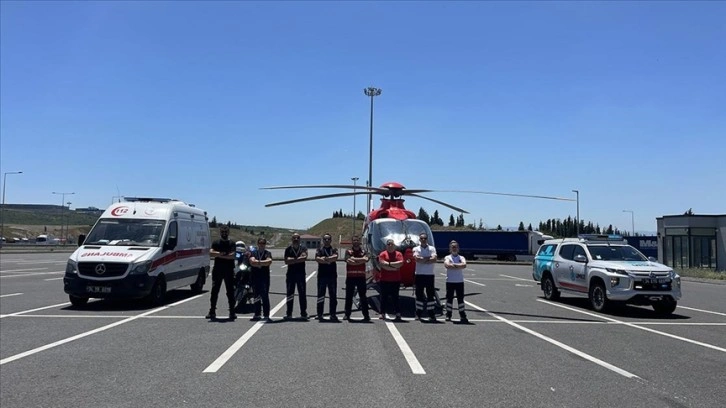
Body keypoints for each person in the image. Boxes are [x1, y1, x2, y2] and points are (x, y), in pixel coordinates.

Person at [206, 225, 237, 321]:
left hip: (229, 270)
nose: (224, 233)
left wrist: (219, 255)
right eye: (222, 232)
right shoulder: (216, 242)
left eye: (226, 232)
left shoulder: (232, 243)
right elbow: (211, 253)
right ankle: (212, 311)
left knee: (230, 292)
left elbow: (233, 256)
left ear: (228, 232)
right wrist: (221, 254)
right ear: (220, 232)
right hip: (218, 270)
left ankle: (232, 311)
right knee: (215, 291)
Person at [343, 234, 370, 322]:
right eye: (354, 240)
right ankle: (347, 314)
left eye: (357, 240)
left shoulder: (364, 251)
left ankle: (366, 315)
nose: (356, 242)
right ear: (352, 242)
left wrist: (355, 260)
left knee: (363, 297)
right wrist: (360, 260)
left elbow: (366, 259)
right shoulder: (348, 251)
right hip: (351, 277)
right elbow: (349, 261)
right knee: (349, 297)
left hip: (361, 278)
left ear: (359, 241)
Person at [413, 233, 438, 322]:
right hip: (419, 275)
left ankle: (431, 313)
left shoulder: (432, 248)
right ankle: (418, 313)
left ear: (427, 239)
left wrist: (423, 259)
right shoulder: (416, 248)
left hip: (429, 275)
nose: (423, 239)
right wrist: (428, 259)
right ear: (419, 239)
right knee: (419, 295)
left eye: (425, 238)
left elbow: (434, 259)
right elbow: (417, 259)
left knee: (430, 295)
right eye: (421, 238)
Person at [315, 233, 339, 322]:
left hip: (332, 276)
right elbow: (317, 259)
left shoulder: (334, 249)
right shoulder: (319, 249)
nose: (327, 241)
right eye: (325, 239)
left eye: (328, 239)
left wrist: (325, 259)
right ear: (323, 240)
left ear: (331, 240)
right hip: (322, 276)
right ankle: (320, 314)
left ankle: (333, 314)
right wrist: (329, 260)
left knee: (333, 296)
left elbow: (335, 257)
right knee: (320, 296)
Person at [283, 233, 309, 320]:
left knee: (302, 294)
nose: (296, 239)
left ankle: (303, 313)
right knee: (290, 294)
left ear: (300, 239)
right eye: (294, 238)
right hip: (290, 275)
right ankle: (289, 313)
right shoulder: (288, 249)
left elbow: (304, 258)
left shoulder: (303, 248)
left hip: (301, 274)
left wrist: (293, 260)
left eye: (297, 238)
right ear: (292, 239)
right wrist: (298, 259)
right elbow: (286, 261)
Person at [377, 239, 404, 321]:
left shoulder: (398, 254)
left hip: (395, 280)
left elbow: (400, 263)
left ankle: (398, 313)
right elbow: (382, 264)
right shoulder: (383, 254)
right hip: (384, 279)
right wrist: (393, 267)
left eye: (391, 244)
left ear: (394, 245)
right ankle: (382, 313)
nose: (390, 245)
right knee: (383, 297)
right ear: (386, 245)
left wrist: (388, 264)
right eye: (388, 244)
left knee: (396, 297)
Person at [248, 237, 273, 322]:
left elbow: (269, 262)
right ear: (258, 244)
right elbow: (252, 262)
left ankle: (266, 314)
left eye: (263, 243)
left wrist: (258, 263)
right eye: (260, 243)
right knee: (256, 296)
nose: (261, 245)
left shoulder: (268, 253)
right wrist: (262, 263)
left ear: (265, 245)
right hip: (255, 277)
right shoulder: (253, 253)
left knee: (265, 296)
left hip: (265, 278)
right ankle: (257, 313)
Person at [443, 240, 468, 323]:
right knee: (449, 299)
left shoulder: (461, 257)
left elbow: (464, 265)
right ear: (450, 248)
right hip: (450, 281)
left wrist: (453, 265)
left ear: (458, 248)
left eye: (455, 247)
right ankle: (448, 314)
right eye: (452, 247)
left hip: (459, 282)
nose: (454, 248)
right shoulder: (447, 257)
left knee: (460, 299)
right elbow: (447, 265)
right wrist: (458, 265)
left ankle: (462, 315)